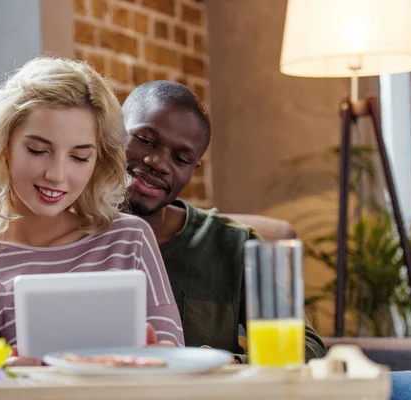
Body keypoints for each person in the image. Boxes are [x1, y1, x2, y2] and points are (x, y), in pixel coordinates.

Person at [0, 57, 184, 360]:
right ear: (4, 146)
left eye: (79, 157)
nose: (57, 174)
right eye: (38, 150)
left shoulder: (129, 239)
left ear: (98, 161)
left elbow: (175, 364)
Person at [120, 81, 327, 362]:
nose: (159, 163)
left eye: (181, 158)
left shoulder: (231, 245)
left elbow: (306, 346)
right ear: (113, 133)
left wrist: (229, 364)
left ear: (194, 168)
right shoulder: (64, 234)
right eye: (145, 140)